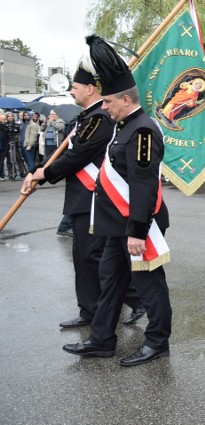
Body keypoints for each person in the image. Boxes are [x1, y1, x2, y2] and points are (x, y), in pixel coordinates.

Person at [62, 35, 172, 367]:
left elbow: (144, 186)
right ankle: (102, 339)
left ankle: (157, 342)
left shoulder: (141, 131)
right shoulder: (123, 126)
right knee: (110, 281)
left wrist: (138, 231)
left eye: (108, 102)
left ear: (125, 99)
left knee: (149, 285)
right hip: (116, 226)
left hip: (136, 225)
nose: (104, 107)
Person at [23, 56, 145, 329]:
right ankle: (89, 310)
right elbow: (63, 153)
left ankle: (136, 301)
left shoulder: (100, 118)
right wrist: (37, 172)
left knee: (96, 258)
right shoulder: (87, 118)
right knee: (85, 259)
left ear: (90, 88)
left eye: (75, 86)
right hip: (82, 200)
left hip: (94, 198)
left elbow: (78, 156)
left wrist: (43, 174)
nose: (71, 91)